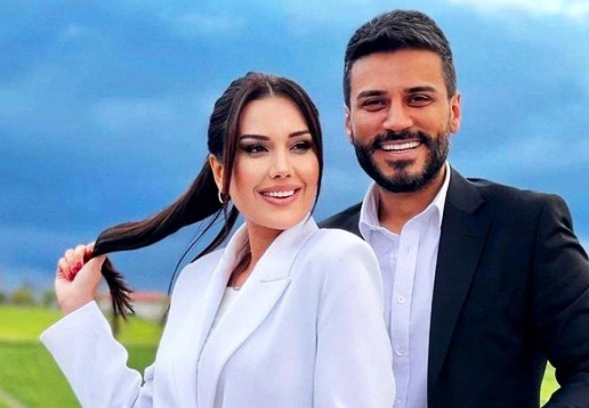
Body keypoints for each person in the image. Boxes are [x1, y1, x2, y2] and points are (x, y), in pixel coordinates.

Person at [322, 10, 589, 408]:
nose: (396, 121)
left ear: (454, 111)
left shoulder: (527, 227)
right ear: (349, 122)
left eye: (418, 99)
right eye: (374, 102)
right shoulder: (322, 247)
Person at [41, 72, 395, 407]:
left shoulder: (337, 261)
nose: (283, 168)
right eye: (256, 149)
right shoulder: (196, 280)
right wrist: (79, 308)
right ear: (220, 170)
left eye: (300, 146)